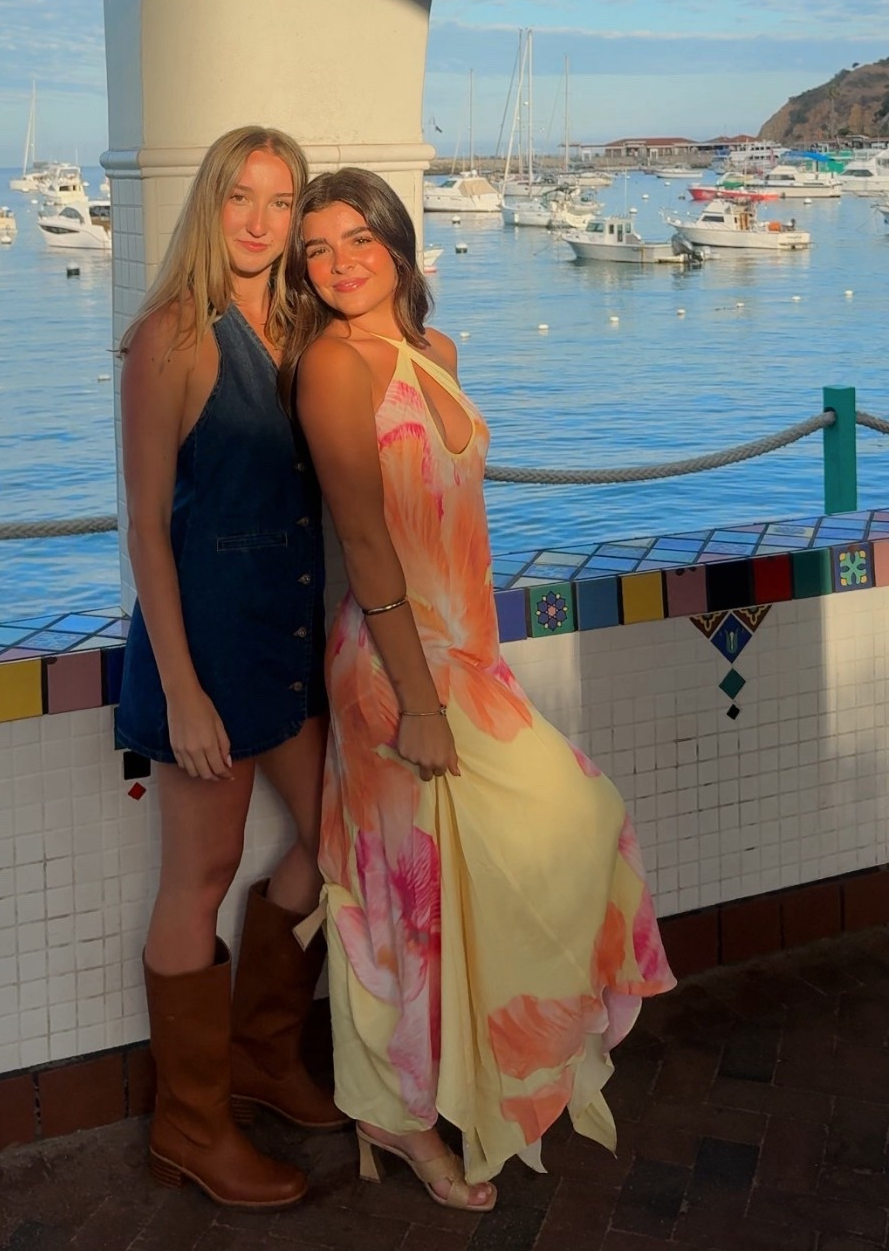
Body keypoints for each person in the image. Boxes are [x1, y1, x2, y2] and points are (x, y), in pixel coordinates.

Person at [283, 167, 674, 1212]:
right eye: (316, 250)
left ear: (397, 242)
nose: (338, 263)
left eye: (357, 238)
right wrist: (417, 702)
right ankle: (396, 1115)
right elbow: (367, 540)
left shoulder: (435, 352)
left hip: (467, 657)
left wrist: (466, 671)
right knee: (407, 901)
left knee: (566, 823)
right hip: (393, 667)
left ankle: (455, 1080)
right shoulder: (330, 366)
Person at [116, 126, 347, 1211]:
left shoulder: (299, 329)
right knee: (198, 878)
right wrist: (184, 689)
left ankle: (260, 1057)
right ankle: (191, 1125)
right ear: (210, 204)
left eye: (279, 200)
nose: (259, 220)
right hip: (204, 650)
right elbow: (146, 528)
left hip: (287, 641)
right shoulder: (169, 336)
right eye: (239, 196)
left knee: (337, 838)